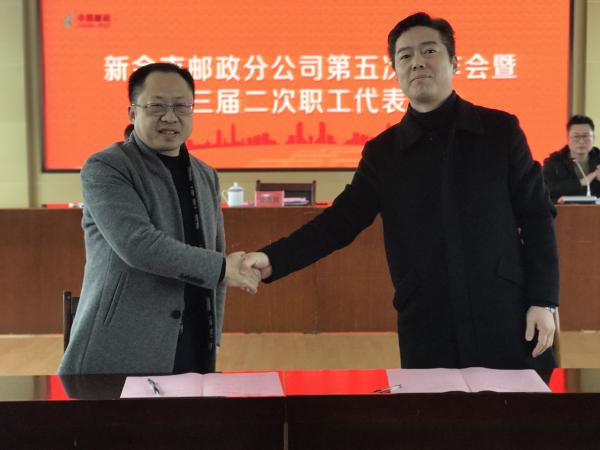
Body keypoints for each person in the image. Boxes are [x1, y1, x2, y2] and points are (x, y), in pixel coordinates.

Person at [242, 12, 559, 369]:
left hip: (508, 312)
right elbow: (339, 223)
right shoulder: (384, 153)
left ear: (455, 62)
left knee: (522, 405)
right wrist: (272, 258)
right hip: (428, 322)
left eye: (429, 51)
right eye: (405, 56)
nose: (417, 62)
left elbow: (536, 216)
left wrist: (543, 300)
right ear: (395, 71)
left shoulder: (500, 131)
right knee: (432, 406)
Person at [58, 63, 260, 375]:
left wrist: (212, 336)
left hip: (194, 343)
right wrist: (223, 268)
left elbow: (215, 250)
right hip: (121, 348)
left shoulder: (205, 174)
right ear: (132, 112)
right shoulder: (107, 167)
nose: (170, 117)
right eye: (156, 106)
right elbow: (138, 245)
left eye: (181, 106)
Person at [542, 115, 600, 201]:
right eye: (576, 136)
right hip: (563, 209)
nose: (581, 141)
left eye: (586, 136)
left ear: (593, 138)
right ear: (568, 138)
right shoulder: (553, 162)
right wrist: (580, 182)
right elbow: (545, 190)